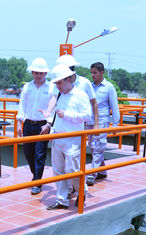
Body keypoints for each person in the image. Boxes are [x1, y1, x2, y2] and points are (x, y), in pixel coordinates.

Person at [45, 64, 92, 210]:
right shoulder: (60, 95)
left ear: (68, 80)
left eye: (59, 82)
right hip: (58, 136)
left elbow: (87, 115)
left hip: (73, 138)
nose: (57, 86)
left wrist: (67, 115)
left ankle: (81, 191)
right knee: (58, 170)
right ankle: (62, 200)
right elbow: (56, 115)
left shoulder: (80, 95)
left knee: (72, 169)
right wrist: (52, 129)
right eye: (56, 83)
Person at [16, 58, 53, 195]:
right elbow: (22, 104)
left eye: (41, 73)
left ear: (45, 74)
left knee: (39, 154)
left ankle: (37, 181)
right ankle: (36, 175)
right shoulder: (27, 87)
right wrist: (20, 122)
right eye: (36, 72)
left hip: (42, 125)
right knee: (27, 153)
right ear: (32, 72)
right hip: (28, 124)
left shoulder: (51, 88)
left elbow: (53, 108)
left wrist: (49, 124)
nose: (39, 75)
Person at [87, 62, 119, 186]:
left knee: (98, 147)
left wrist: (115, 124)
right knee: (93, 146)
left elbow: (114, 106)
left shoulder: (108, 87)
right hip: (90, 121)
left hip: (102, 122)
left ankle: (92, 173)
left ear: (102, 73)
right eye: (91, 73)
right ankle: (102, 171)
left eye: (95, 73)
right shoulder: (90, 87)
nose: (92, 75)